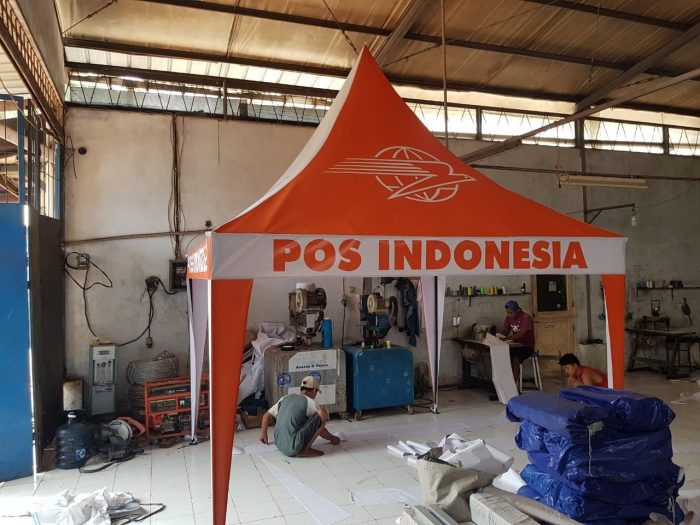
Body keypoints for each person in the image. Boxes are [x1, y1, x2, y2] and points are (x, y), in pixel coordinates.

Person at [259, 375, 340, 457]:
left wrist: (263, 434)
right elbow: (319, 427)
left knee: (302, 417)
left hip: (278, 443)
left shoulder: (285, 398)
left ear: (301, 389)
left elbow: (266, 417)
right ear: (314, 391)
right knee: (323, 414)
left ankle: (295, 444)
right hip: (292, 448)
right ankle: (306, 449)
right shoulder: (310, 402)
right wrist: (332, 438)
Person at [503, 300, 535, 381]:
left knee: (515, 359)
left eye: (511, 313)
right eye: (507, 313)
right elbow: (505, 331)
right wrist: (497, 336)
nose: (509, 315)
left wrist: (505, 339)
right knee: (502, 356)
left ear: (518, 310)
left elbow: (521, 334)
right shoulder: (508, 317)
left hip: (526, 346)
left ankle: (513, 384)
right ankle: (504, 383)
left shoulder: (526, 317)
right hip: (515, 346)